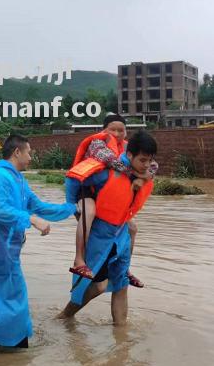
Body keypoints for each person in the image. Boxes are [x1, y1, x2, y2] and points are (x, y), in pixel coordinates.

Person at [0, 134, 76, 348]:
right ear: (17, 152)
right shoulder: (1, 178)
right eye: (29, 152)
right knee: (6, 295)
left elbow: (38, 205)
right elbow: (1, 211)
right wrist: (31, 219)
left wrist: (72, 208)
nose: (31, 157)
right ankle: (7, 342)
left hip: (8, 251)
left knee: (2, 295)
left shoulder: (18, 179)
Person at [59, 131, 157, 326]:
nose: (147, 165)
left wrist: (145, 175)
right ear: (129, 155)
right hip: (99, 235)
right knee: (98, 287)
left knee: (121, 284)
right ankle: (65, 316)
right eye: (143, 160)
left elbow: (149, 171)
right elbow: (73, 179)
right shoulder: (105, 171)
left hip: (121, 234)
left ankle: (121, 335)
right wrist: (73, 207)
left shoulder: (146, 174)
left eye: (150, 160)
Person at [65, 114, 154, 286]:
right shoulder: (97, 143)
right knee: (89, 212)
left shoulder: (129, 148)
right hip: (86, 187)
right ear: (104, 130)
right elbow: (108, 159)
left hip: (105, 192)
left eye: (121, 130)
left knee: (133, 228)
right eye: (112, 129)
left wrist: (143, 177)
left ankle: (125, 268)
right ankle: (79, 260)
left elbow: (153, 166)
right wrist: (134, 173)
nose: (117, 133)